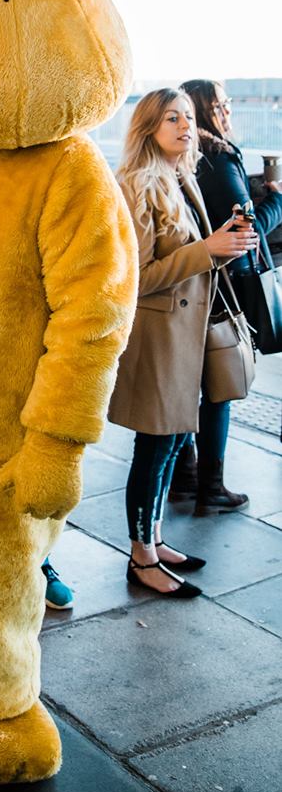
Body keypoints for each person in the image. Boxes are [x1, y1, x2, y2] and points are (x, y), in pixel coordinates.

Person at [108, 89, 258, 596]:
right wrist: (208, 249)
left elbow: (194, 254)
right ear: (149, 127)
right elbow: (137, 277)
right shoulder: (137, 184)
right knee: (153, 445)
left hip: (184, 335)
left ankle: (153, 540)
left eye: (189, 117)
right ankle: (141, 557)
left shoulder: (183, 176)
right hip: (158, 338)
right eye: (171, 118)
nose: (184, 125)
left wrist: (226, 241)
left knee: (173, 442)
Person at [172, 79, 282, 515]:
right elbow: (245, 227)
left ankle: (185, 476)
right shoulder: (218, 156)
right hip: (226, 286)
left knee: (188, 382)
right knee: (220, 383)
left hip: (188, 285)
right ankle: (211, 487)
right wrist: (276, 201)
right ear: (207, 110)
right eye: (222, 104)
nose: (228, 111)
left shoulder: (179, 155)